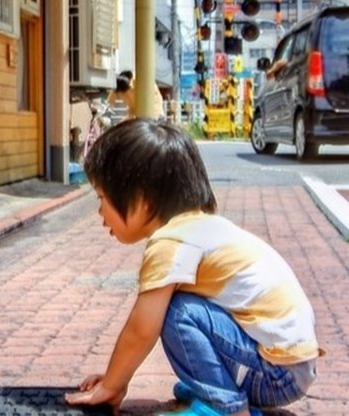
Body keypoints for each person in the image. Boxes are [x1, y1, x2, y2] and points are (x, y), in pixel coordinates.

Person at [65, 119, 320, 415]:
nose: (99, 212)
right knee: (183, 306)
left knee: (176, 310)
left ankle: (222, 404)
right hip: (290, 367)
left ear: (142, 199)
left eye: (102, 198)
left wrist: (112, 385)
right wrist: (115, 378)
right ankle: (215, 385)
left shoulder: (171, 240)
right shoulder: (201, 227)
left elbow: (141, 330)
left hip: (274, 373)